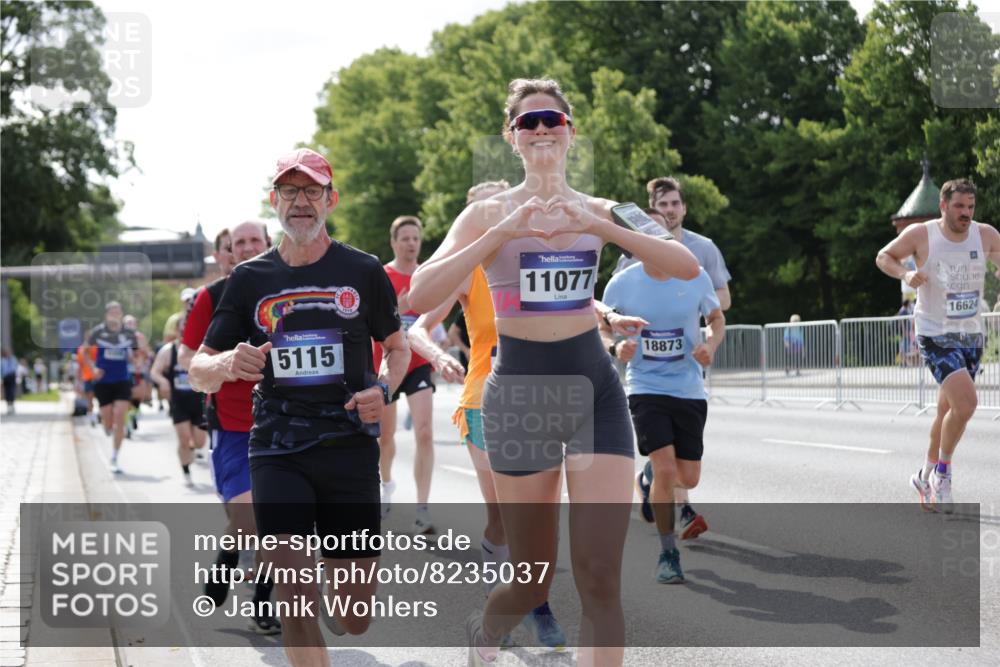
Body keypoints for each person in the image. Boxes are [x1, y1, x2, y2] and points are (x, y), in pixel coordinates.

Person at [408, 78, 698, 667]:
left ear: (570, 132)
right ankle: (486, 632)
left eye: (553, 120)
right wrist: (501, 234)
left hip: (595, 393)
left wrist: (603, 228)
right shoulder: (484, 214)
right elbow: (419, 292)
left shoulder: (604, 208)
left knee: (599, 579)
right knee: (532, 580)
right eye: (528, 123)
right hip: (519, 398)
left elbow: (685, 263)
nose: (542, 130)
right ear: (512, 138)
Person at [189, 148, 409, 666]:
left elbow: (398, 348)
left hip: (350, 448)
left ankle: (339, 592)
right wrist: (225, 366)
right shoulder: (249, 280)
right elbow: (199, 368)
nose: (301, 202)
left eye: (312, 191)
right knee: (294, 598)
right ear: (275, 202)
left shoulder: (363, 270)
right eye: (289, 191)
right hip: (277, 449)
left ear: (331, 199)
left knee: (354, 617)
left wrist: (383, 388)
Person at [406, 179, 567, 650]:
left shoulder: (537, 259)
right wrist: (436, 358)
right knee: (507, 517)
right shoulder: (467, 268)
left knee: (534, 514)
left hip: (542, 399)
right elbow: (417, 326)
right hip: (485, 400)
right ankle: (523, 603)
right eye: (485, 211)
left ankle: (526, 599)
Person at [600, 219, 725, 583]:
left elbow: (716, 318)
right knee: (669, 470)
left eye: (662, 237)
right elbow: (601, 323)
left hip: (687, 387)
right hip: (645, 386)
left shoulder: (694, 275)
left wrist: (710, 346)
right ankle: (668, 553)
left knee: (689, 477)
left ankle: (650, 476)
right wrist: (616, 346)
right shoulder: (623, 282)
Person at [179, 220, 280, 634]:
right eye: (238, 243)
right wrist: (224, 365)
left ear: (269, 243)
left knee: (277, 521)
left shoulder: (290, 288)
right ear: (228, 254)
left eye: (255, 239)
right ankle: (226, 561)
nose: (248, 247)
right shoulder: (214, 296)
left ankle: (262, 602)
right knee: (248, 519)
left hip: (285, 422)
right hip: (233, 424)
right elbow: (189, 358)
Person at [876, 178, 1000, 513]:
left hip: (971, 334)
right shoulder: (921, 234)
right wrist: (905, 274)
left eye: (971, 207)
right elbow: (883, 257)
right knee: (967, 404)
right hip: (935, 333)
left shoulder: (986, 234)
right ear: (944, 206)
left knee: (949, 411)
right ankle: (943, 475)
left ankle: (924, 473)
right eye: (959, 206)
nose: (966, 213)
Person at [371, 215, 437, 533]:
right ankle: (386, 487)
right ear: (394, 242)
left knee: (424, 432)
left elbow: (441, 309)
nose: (411, 243)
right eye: (405, 238)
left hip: (419, 362)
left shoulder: (427, 274)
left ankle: (422, 509)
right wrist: (396, 307)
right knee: (386, 438)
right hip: (387, 363)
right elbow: (368, 322)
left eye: (415, 238)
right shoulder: (381, 275)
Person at [150, 301, 207, 488]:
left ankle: (190, 450)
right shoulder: (169, 350)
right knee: (183, 438)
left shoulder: (202, 347)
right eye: (182, 325)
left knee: (199, 442)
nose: (185, 328)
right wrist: (163, 381)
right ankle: (186, 471)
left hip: (199, 400)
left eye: (188, 325)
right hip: (179, 401)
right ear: (177, 329)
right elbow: (155, 371)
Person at [82, 301, 139, 473]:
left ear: (121, 314)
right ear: (106, 315)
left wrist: (135, 360)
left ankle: (114, 457)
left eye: (118, 312)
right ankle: (106, 425)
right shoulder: (98, 332)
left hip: (122, 380)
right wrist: (93, 368)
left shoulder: (129, 334)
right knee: (108, 420)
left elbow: (136, 355)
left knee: (120, 416)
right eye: (112, 312)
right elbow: (84, 352)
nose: (115, 315)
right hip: (103, 380)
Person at [2, 348, 17, 415]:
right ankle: (8, 406)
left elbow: (14, 368)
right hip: (5, 378)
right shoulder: (3, 360)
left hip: (12, 376)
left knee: (11, 391)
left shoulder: (13, 359)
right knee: (7, 392)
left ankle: (12, 405)